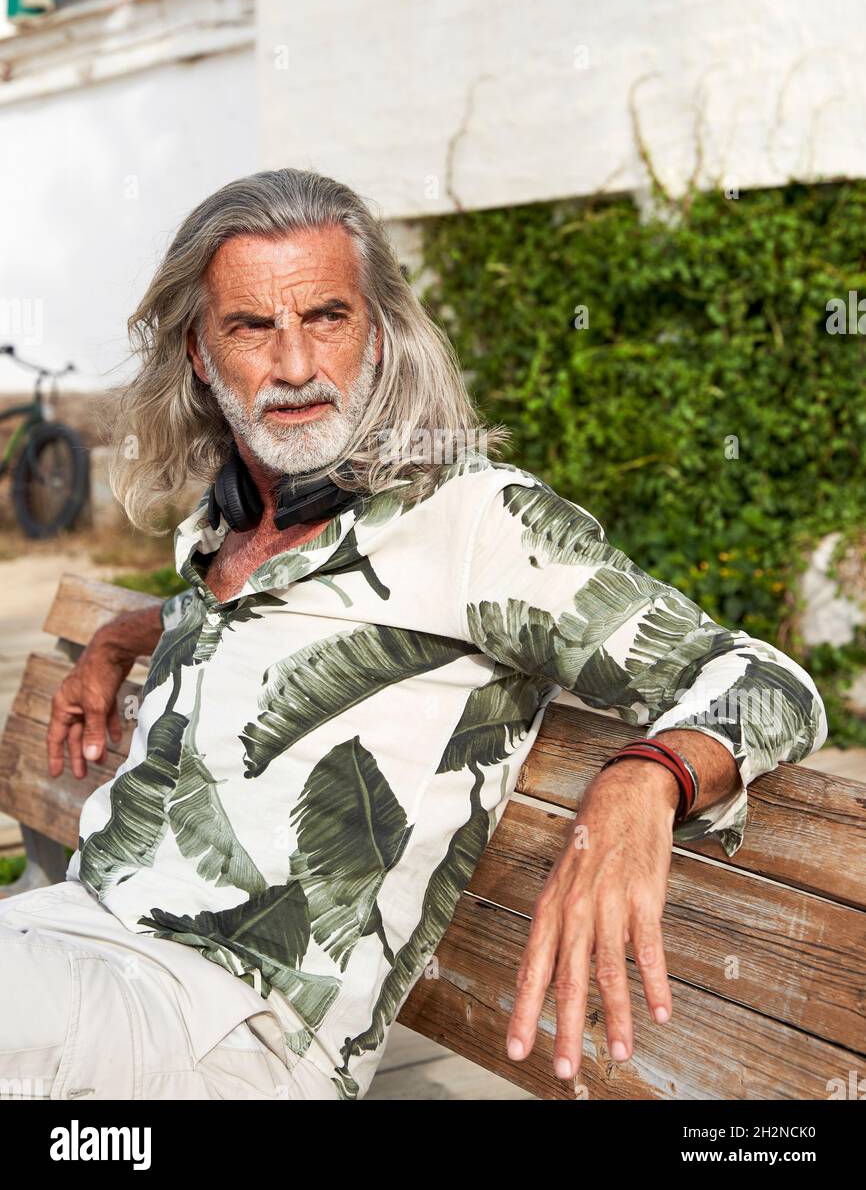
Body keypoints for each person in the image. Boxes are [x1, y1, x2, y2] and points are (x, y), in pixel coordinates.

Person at [0, 168, 827, 1101]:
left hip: (230, 1031)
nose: (298, 366)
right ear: (199, 353)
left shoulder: (475, 524)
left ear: (381, 335)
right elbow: (265, 623)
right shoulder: (227, 525)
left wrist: (648, 780)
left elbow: (771, 681)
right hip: (76, 937)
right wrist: (121, 636)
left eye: (327, 318)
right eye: (251, 327)